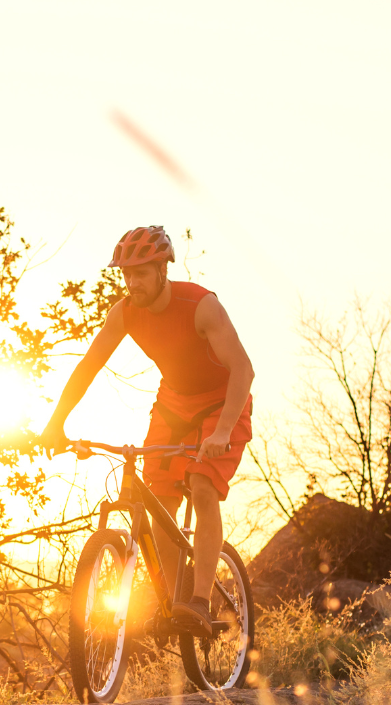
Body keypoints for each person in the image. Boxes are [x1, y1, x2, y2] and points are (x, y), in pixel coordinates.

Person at [38, 225, 256, 636]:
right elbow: (89, 366)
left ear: (162, 270)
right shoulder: (124, 312)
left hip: (223, 401)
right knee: (159, 498)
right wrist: (55, 423)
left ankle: (201, 600)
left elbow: (243, 369)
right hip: (173, 405)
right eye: (126, 274)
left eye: (141, 273)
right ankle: (177, 604)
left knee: (203, 485)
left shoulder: (200, 306)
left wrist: (223, 430)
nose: (132, 282)